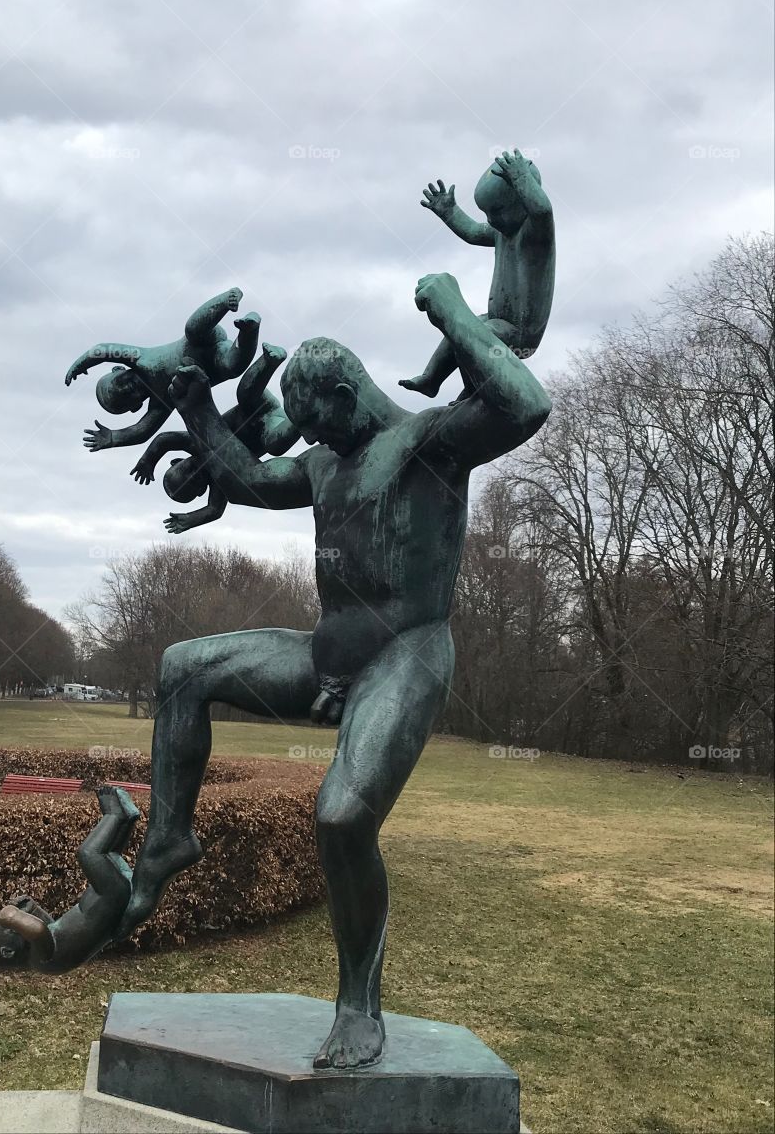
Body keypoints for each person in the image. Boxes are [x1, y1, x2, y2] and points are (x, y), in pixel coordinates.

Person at [113, 273, 551, 1069]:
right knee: (183, 667)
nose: (312, 440)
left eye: (318, 422)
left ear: (349, 394)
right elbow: (246, 479)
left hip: (406, 654)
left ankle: (358, 1002)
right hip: (327, 655)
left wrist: (452, 310)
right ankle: (170, 839)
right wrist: (196, 408)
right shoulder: (323, 465)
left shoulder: (432, 441)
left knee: (343, 818)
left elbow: (527, 405)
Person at [400, 149, 555, 399]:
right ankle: (432, 378)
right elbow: (472, 232)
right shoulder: (502, 233)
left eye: (497, 212)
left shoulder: (535, 235)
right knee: (460, 326)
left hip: (521, 332)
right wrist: (450, 212)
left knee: (473, 336)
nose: (491, 220)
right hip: (497, 320)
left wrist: (522, 179)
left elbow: (543, 211)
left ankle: (475, 389)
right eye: (487, 214)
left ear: (522, 203)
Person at [129, 342, 299, 533]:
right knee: (275, 444)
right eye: (195, 481)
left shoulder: (194, 442)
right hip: (270, 426)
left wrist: (148, 460)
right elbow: (215, 510)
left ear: (178, 460)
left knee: (245, 393)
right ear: (202, 490)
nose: (196, 472)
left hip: (256, 407)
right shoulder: (220, 480)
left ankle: (269, 360)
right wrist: (191, 519)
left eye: (189, 468)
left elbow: (164, 440)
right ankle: (302, 413)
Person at [64, 288, 261, 452]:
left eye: (120, 383)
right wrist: (114, 437)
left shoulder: (140, 358)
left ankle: (227, 299)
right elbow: (142, 431)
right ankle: (249, 330)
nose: (127, 388)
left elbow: (105, 349)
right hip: (216, 363)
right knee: (232, 367)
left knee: (192, 329)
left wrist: (82, 363)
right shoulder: (161, 402)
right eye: (126, 397)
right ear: (136, 406)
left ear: (119, 369)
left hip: (201, 340)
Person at [0, 786, 140, 974]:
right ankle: (115, 815)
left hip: (106, 899)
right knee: (88, 854)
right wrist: (8, 916)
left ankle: (128, 819)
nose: (17, 923)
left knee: (109, 854)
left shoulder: (45, 952)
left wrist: (31, 908)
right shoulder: (40, 959)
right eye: (11, 929)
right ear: (7, 951)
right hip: (110, 897)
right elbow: (38, 930)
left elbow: (47, 925)